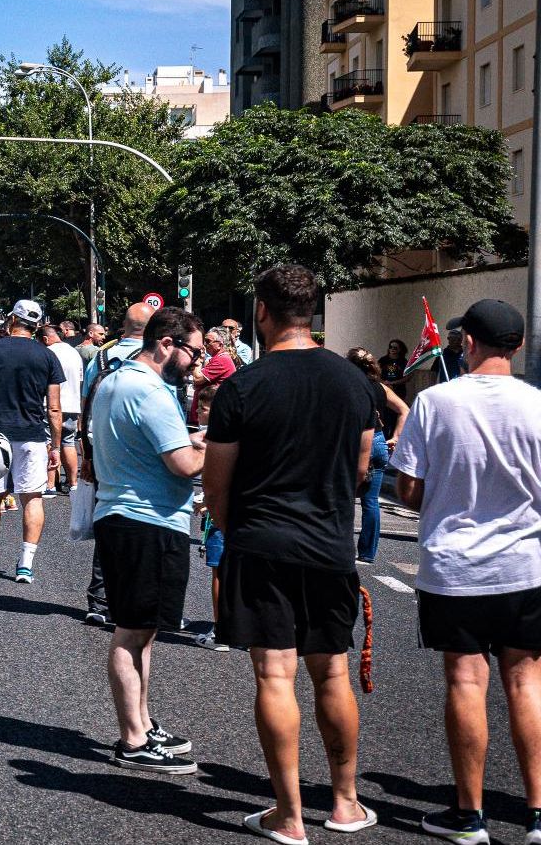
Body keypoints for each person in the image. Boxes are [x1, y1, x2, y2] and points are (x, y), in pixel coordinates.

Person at [202, 264, 378, 842]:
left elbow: (217, 484)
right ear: (314, 310)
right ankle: (347, 803)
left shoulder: (243, 386)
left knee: (274, 674)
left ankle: (290, 815)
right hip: (328, 544)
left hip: (261, 541)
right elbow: (358, 470)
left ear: (262, 311)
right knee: (332, 672)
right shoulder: (354, 382)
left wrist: (236, 532)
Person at [389, 299, 541, 845]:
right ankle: (537, 814)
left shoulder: (435, 402)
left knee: (466, 681)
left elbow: (407, 488)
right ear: (519, 346)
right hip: (526, 567)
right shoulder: (538, 405)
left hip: (456, 569)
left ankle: (469, 815)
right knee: (527, 682)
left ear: (467, 342)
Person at [89, 306, 206, 774]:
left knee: (143, 630)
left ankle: (142, 722)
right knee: (131, 631)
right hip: (146, 521)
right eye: (192, 352)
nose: (196, 362)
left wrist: (191, 438)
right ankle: (132, 740)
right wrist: (217, 445)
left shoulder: (116, 380)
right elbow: (182, 465)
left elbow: (152, 445)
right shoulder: (152, 392)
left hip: (126, 515)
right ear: (166, 344)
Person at [0, 300, 63, 583]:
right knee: (32, 498)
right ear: (36, 325)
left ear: (12, 319)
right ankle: (25, 564)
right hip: (33, 436)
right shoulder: (47, 356)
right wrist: (57, 446)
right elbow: (54, 409)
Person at [80, 301, 155, 626]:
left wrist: (85, 454)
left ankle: (100, 599)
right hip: (146, 451)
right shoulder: (157, 359)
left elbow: (87, 407)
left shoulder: (100, 358)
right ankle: (134, 600)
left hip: (103, 449)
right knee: (145, 523)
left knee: (107, 519)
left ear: (122, 326)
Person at [345, 347, 410, 565]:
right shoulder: (381, 388)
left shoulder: (349, 386)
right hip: (380, 441)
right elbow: (404, 410)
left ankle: (342, 548)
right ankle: (367, 553)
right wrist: (397, 438)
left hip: (356, 442)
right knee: (370, 501)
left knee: (344, 497)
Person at [193, 383, 230, 653]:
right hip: (248, 514)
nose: (198, 413)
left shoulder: (215, 437)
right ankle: (253, 633)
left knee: (220, 571)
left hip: (221, 512)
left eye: (203, 408)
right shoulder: (244, 434)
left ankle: (221, 632)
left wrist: (208, 502)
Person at [37, 324, 84, 496]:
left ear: (44, 339)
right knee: (68, 443)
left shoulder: (48, 353)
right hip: (72, 404)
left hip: (51, 405)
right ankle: (73, 483)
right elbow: (80, 379)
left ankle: (50, 485)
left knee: (50, 443)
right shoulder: (74, 353)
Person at [189, 328, 237, 425]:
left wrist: (198, 360)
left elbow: (197, 379)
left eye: (207, 341)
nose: (204, 345)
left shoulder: (222, 360)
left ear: (220, 344)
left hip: (209, 418)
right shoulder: (217, 359)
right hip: (204, 415)